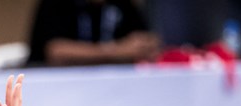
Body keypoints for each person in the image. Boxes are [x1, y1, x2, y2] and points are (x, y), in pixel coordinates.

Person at [26, 0, 162, 66]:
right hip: (57, 87)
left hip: (115, 86)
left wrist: (146, 45)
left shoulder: (122, 4)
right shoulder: (56, 4)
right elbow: (56, 51)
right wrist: (118, 50)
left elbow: (147, 40)